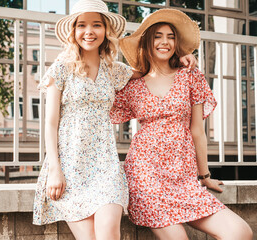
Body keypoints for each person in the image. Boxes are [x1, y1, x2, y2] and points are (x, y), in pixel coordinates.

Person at [33, 1, 196, 239]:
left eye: (96, 25)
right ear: (74, 31)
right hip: (70, 165)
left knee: (109, 231)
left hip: (105, 165)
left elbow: (150, 68)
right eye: (82, 25)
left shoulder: (112, 69)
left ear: (105, 30)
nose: (89, 31)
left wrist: (180, 55)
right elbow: (50, 123)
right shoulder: (62, 68)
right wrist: (55, 170)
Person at [110, 9, 253, 240]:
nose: (164, 41)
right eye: (157, 36)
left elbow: (198, 131)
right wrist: (136, 71)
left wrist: (204, 175)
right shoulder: (132, 86)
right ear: (147, 41)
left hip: (183, 178)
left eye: (170, 36)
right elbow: (99, 92)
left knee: (240, 232)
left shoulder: (190, 76)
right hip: (146, 177)